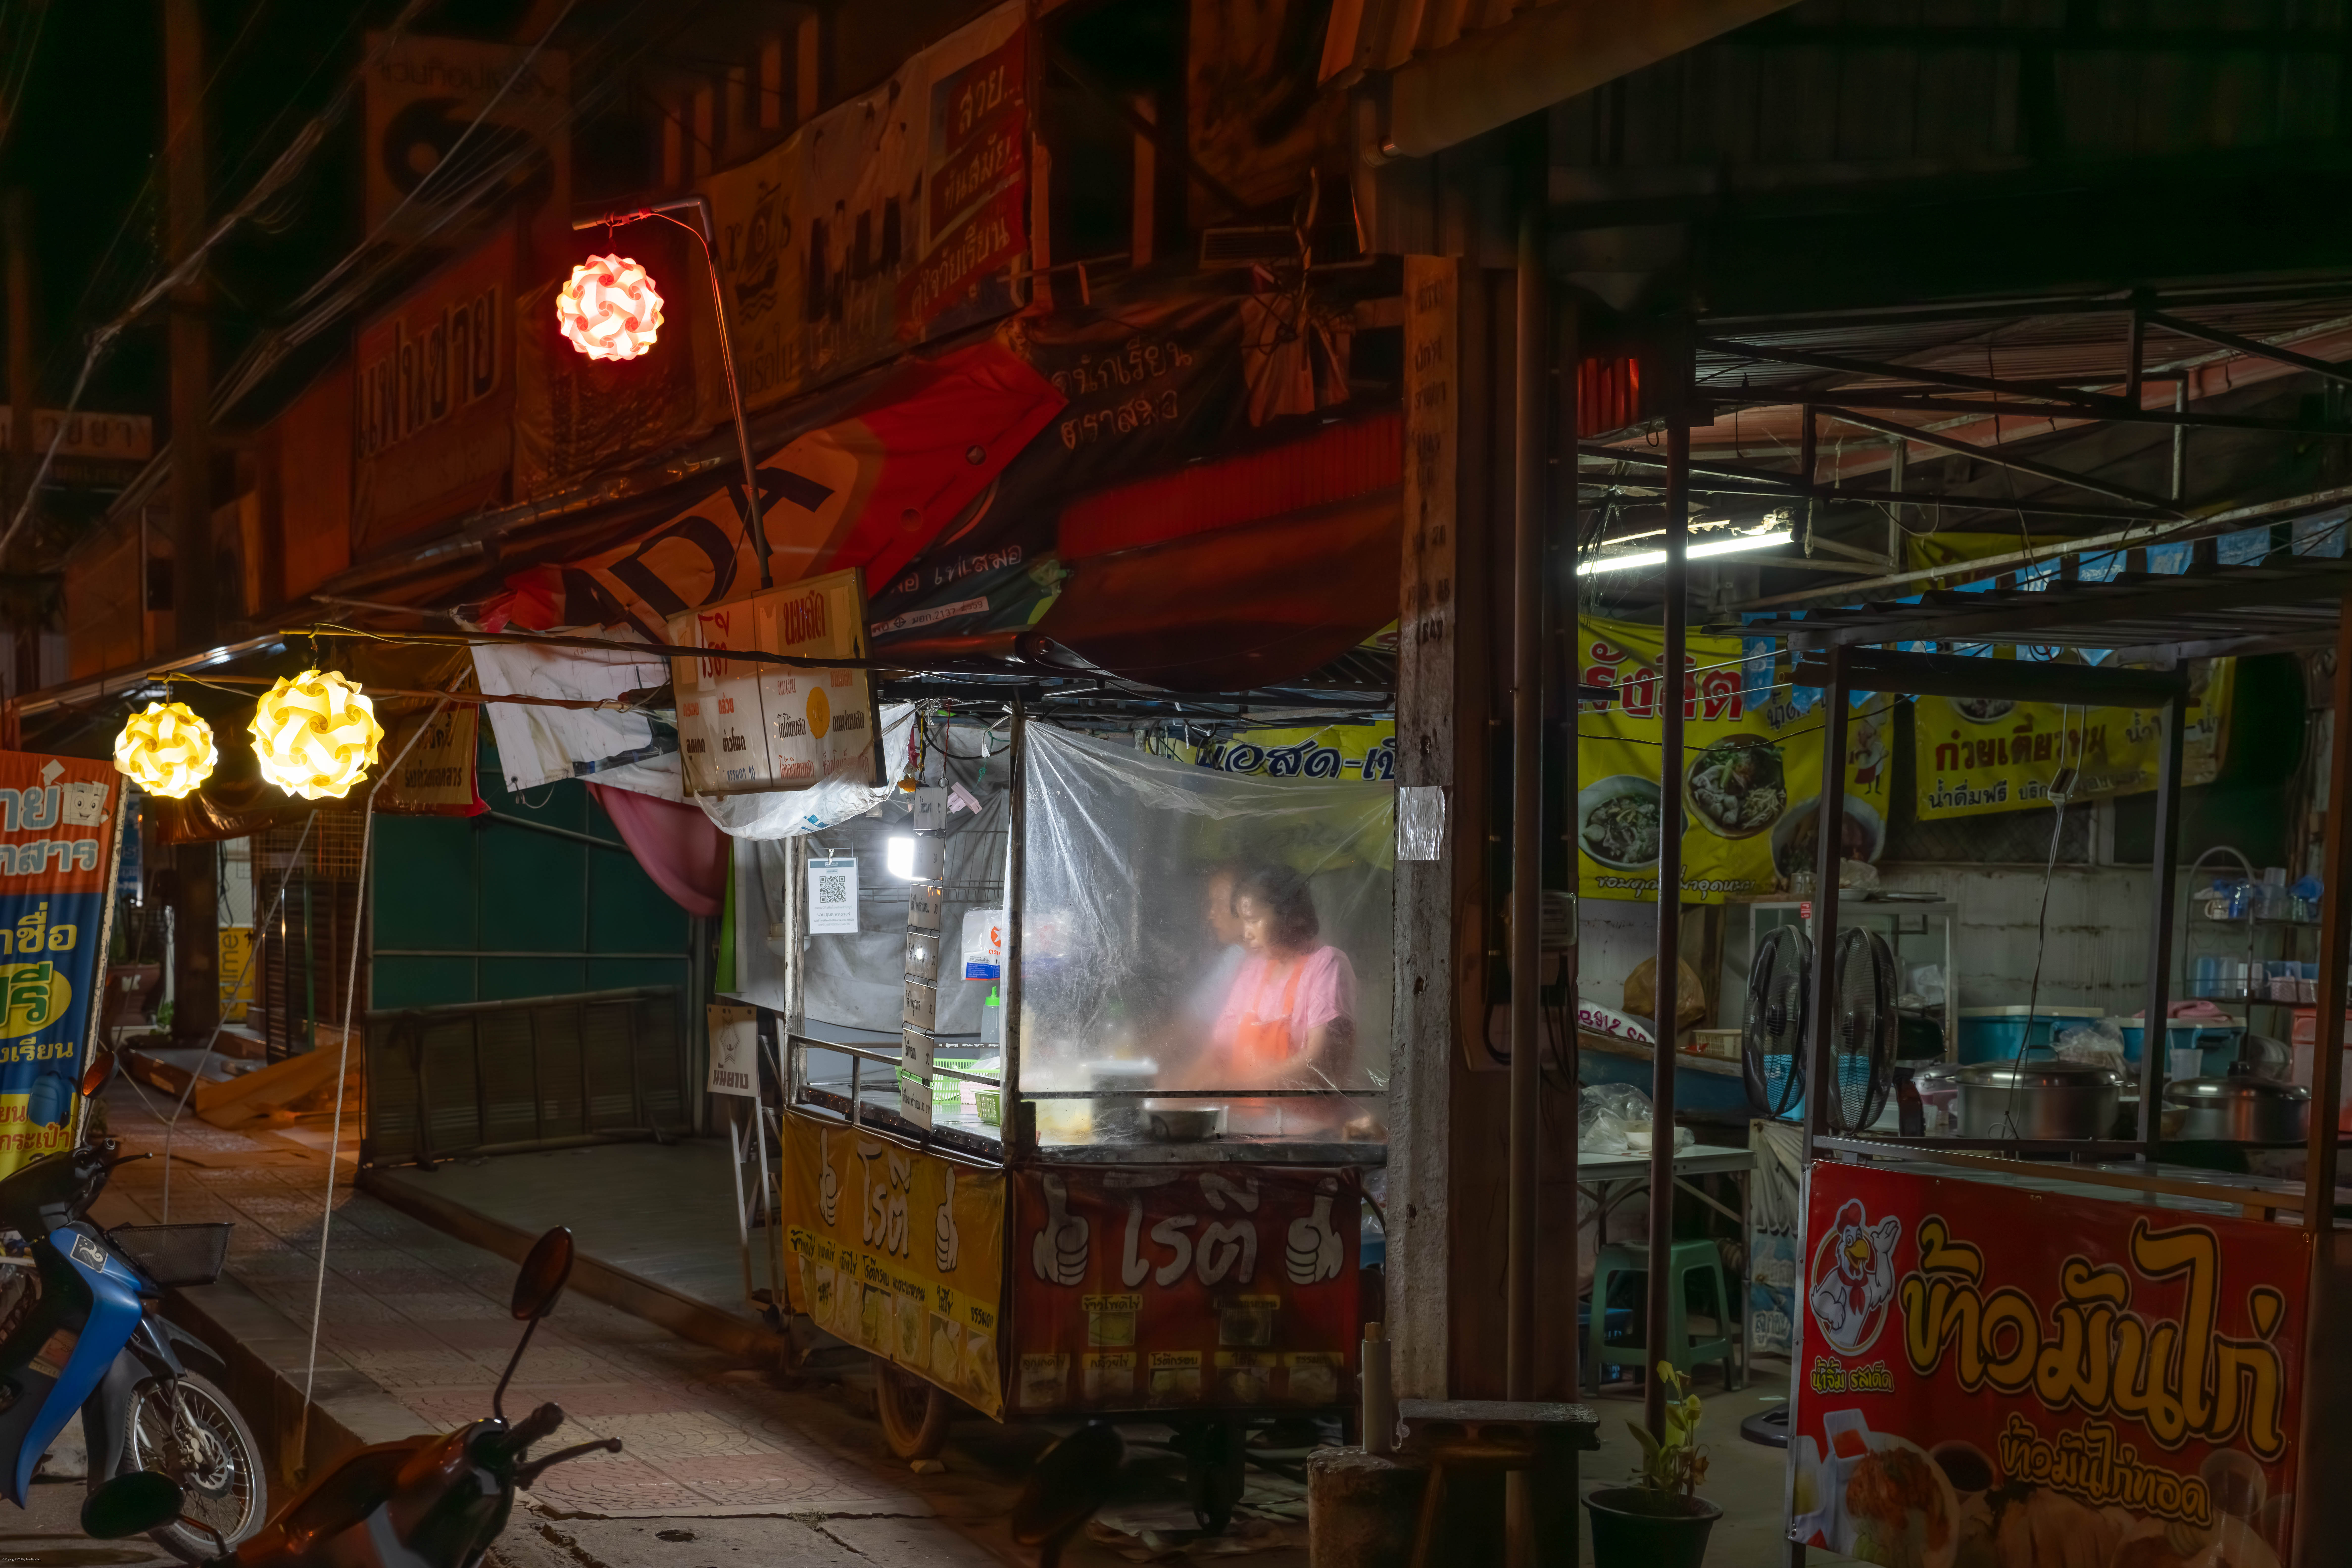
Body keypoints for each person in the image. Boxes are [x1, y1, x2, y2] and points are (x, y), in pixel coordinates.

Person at [1208, 864, 1356, 1089]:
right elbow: (1220, 1047)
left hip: (1304, 1111)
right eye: (1244, 922)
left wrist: (1240, 1086)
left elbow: (1317, 1061)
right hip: (1245, 1108)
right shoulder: (1253, 971)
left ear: (1290, 916)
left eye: (1254, 920)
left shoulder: (1326, 964)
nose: (1246, 934)